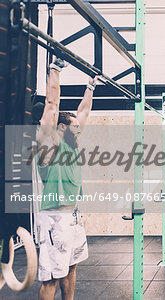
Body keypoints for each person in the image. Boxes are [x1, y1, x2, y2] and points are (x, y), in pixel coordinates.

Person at [36, 58, 96, 300]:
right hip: (54, 218)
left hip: (73, 216)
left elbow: (83, 111)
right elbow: (51, 105)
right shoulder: (49, 144)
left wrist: (91, 87)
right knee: (51, 276)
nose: (79, 130)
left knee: (72, 267)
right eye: (74, 127)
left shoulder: (72, 146)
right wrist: (55, 70)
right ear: (60, 127)